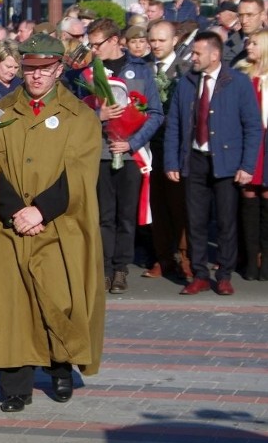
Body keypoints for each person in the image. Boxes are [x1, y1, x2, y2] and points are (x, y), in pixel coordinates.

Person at [0, 33, 105, 413]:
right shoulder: (0, 111)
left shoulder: (79, 116)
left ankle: (60, 367)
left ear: (59, 70)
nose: (35, 77)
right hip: (10, 224)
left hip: (57, 225)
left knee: (58, 297)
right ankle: (16, 384)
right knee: (12, 307)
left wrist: (40, 210)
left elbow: (79, 173)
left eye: (44, 70)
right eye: (29, 69)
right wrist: (15, 209)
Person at [165, 31, 262, 296]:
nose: (192, 58)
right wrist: (172, 160)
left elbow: (252, 127)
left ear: (214, 54)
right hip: (194, 159)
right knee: (195, 220)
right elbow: (174, 124)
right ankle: (199, 274)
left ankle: (224, 275)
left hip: (227, 161)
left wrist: (247, 165)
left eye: (197, 53)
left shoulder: (238, 83)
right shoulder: (186, 83)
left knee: (226, 221)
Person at [85, 18, 163, 294]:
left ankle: (121, 269)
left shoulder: (141, 70)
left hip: (132, 155)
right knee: (104, 216)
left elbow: (155, 114)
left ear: (115, 40)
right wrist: (99, 116)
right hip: (101, 154)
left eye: (98, 44)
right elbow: (77, 115)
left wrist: (131, 142)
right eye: (90, 44)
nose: (93, 50)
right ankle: (105, 268)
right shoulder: (87, 74)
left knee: (126, 217)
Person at [142, 21, 192, 280]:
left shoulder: (186, 70)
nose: (156, 45)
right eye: (153, 40)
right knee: (156, 206)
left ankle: (184, 256)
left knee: (179, 204)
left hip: (176, 146)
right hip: (148, 147)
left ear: (174, 41)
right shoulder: (142, 68)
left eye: (162, 40)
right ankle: (163, 258)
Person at [234, 29, 268, 281]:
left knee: (266, 195)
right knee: (248, 195)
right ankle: (249, 257)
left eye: (255, 43)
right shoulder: (241, 75)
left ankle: (265, 259)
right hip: (248, 141)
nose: (249, 46)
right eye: (248, 42)